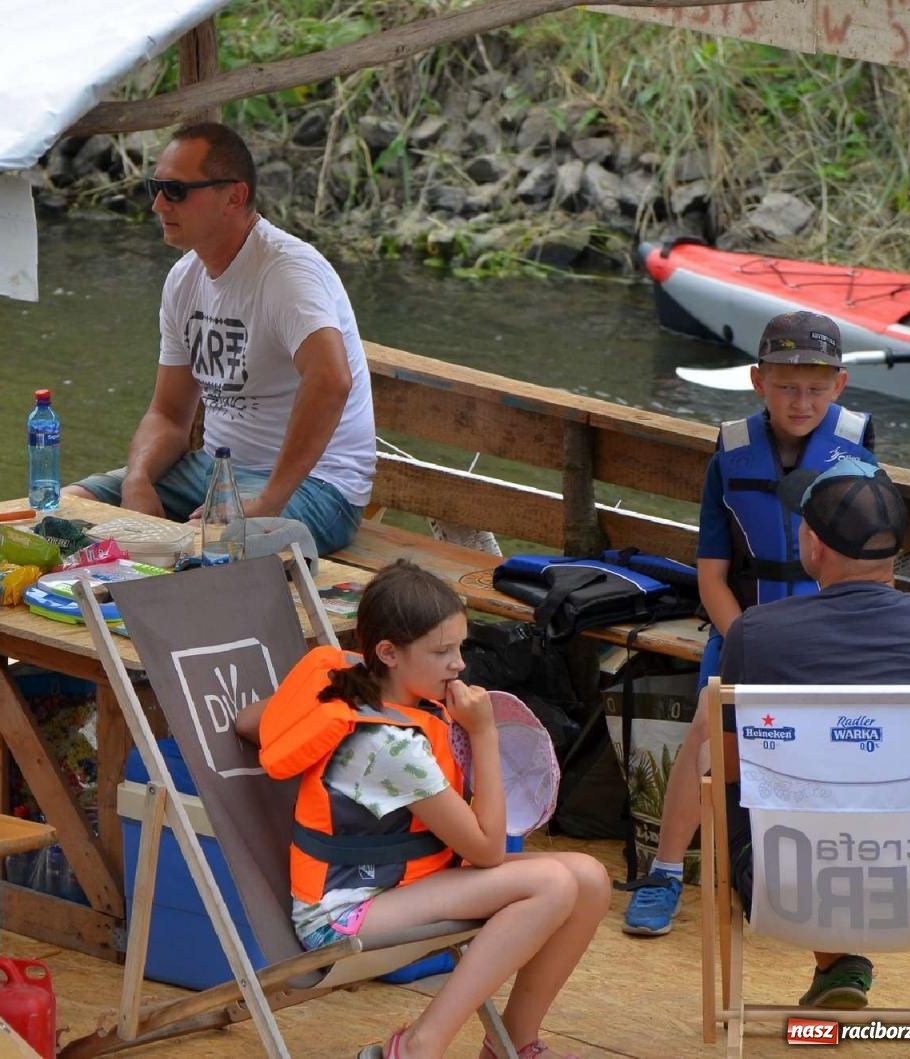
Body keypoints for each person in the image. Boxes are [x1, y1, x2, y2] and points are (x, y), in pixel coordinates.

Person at [237, 561, 608, 1059]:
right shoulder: (388, 747)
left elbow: (247, 724)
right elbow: (488, 851)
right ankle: (416, 1046)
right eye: (441, 652)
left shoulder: (357, 685)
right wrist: (484, 733)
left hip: (401, 886)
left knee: (590, 878)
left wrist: (304, 706)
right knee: (554, 883)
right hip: (345, 913)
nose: (458, 664)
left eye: (459, 647)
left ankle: (512, 1044)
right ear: (388, 653)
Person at [622, 310, 875, 937]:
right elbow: (711, 577)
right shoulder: (729, 459)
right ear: (758, 381)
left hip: (825, 637)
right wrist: (746, 641)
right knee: (708, 732)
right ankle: (664, 872)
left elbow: (870, 568)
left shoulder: (857, 450)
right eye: (787, 385)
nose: (802, 400)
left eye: (817, 388)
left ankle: (816, 875)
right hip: (742, 630)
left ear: (839, 387)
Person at [63, 122, 376, 555]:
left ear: (234, 196)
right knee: (68, 510)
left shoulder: (287, 272)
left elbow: (331, 380)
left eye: (175, 190)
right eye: (156, 187)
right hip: (214, 471)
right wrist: (137, 480)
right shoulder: (183, 279)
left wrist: (266, 503)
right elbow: (170, 415)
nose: (157, 204)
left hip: (318, 487)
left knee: (202, 549)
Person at [716, 457, 910, 1008]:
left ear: (814, 546)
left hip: (791, 890)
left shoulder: (757, 635)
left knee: (728, 783)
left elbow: (729, 773)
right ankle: (839, 964)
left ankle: (837, 958)